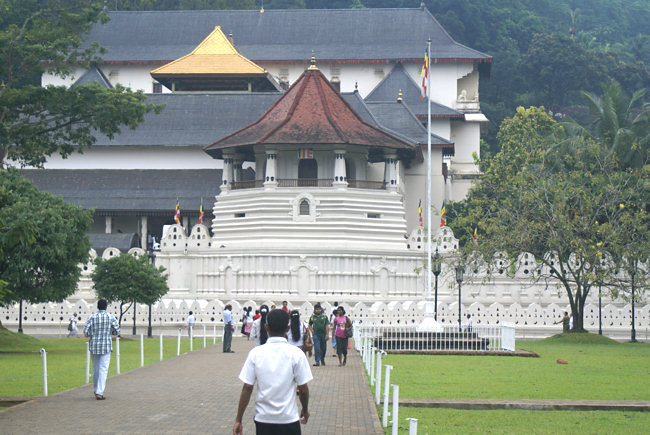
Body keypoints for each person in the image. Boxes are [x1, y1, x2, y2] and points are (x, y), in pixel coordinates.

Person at [234, 309, 312, 435]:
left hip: (263, 419)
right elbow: (303, 389)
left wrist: (239, 419)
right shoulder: (296, 354)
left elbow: (247, 388)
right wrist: (305, 409)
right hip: (288, 419)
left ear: (266, 327)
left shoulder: (256, 353)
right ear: (288, 328)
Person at [83, 299, 120, 400]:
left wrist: (93, 333)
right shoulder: (110, 317)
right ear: (106, 307)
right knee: (103, 368)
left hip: (94, 345)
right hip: (106, 345)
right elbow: (117, 331)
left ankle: (96, 390)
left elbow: (85, 332)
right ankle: (100, 391)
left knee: (96, 368)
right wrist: (110, 332)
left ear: (97, 306)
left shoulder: (92, 317)